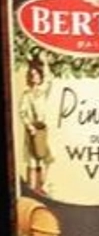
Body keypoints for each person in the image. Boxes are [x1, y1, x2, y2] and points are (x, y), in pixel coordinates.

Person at [19, 59, 52, 192]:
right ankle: (32, 189)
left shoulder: (43, 92)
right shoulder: (27, 95)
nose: (35, 77)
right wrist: (29, 126)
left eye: (37, 74)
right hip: (32, 130)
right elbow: (22, 113)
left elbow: (49, 79)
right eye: (32, 75)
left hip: (43, 130)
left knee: (44, 159)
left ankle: (43, 186)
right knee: (32, 161)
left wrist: (45, 61)